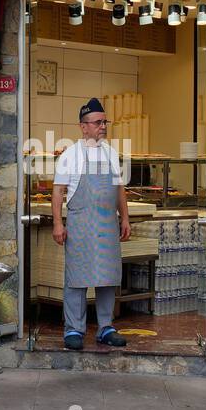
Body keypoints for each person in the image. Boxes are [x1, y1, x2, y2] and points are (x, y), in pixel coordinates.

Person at [51, 98, 131, 351]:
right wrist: (57, 224)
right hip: (80, 223)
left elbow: (119, 189)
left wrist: (125, 218)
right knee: (76, 278)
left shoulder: (110, 152)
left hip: (107, 223)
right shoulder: (70, 155)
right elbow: (57, 191)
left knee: (107, 277)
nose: (103, 126)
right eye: (98, 122)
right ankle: (74, 329)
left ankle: (106, 327)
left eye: (104, 122)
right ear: (83, 127)